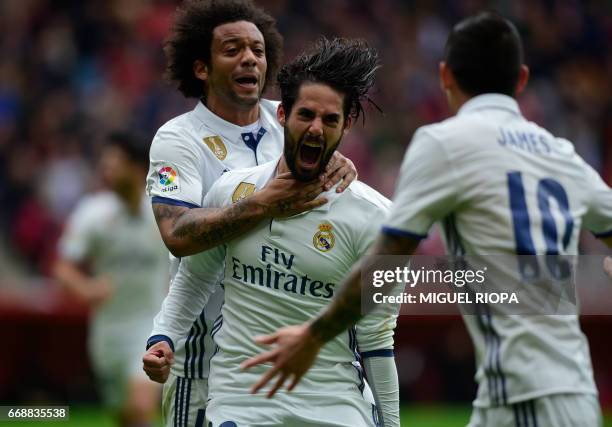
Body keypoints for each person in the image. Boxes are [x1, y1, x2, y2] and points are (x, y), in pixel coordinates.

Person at [244, 12, 612, 427]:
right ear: (522, 79)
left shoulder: (444, 143)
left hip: (527, 394)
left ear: (445, 76)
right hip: (567, 391)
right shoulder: (561, 153)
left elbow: (386, 262)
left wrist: (313, 336)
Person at [147, 37, 401, 427]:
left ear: (347, 125)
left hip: (333, 403)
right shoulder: (231, 191)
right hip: (241, 401)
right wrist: (162, 337)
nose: (316, 128)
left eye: (330, 120)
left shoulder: (375, 219)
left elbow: (377, 342)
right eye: (306, 115)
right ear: (282, 114)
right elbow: (193, 278)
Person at [54, 132, 168, 427]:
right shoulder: (93, 213)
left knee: (141, 406)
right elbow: (62, 266)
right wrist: (86, 288)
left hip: (150, 324)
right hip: (107, 331)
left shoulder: (161, 211)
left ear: (135, 167)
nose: (106, 171)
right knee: (124, 416)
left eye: (113, 164)